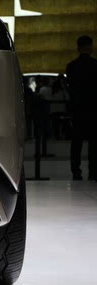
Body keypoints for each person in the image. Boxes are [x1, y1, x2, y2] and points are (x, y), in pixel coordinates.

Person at [66, 35, 97, 181]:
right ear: (90, 47)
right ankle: (93, 171)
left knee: (76, 143)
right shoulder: (95, 65)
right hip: (93, 109)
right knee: (94, 143)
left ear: (78, 48)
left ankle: (76, 172)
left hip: (77, 109)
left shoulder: (71, 66)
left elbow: (71, 88)